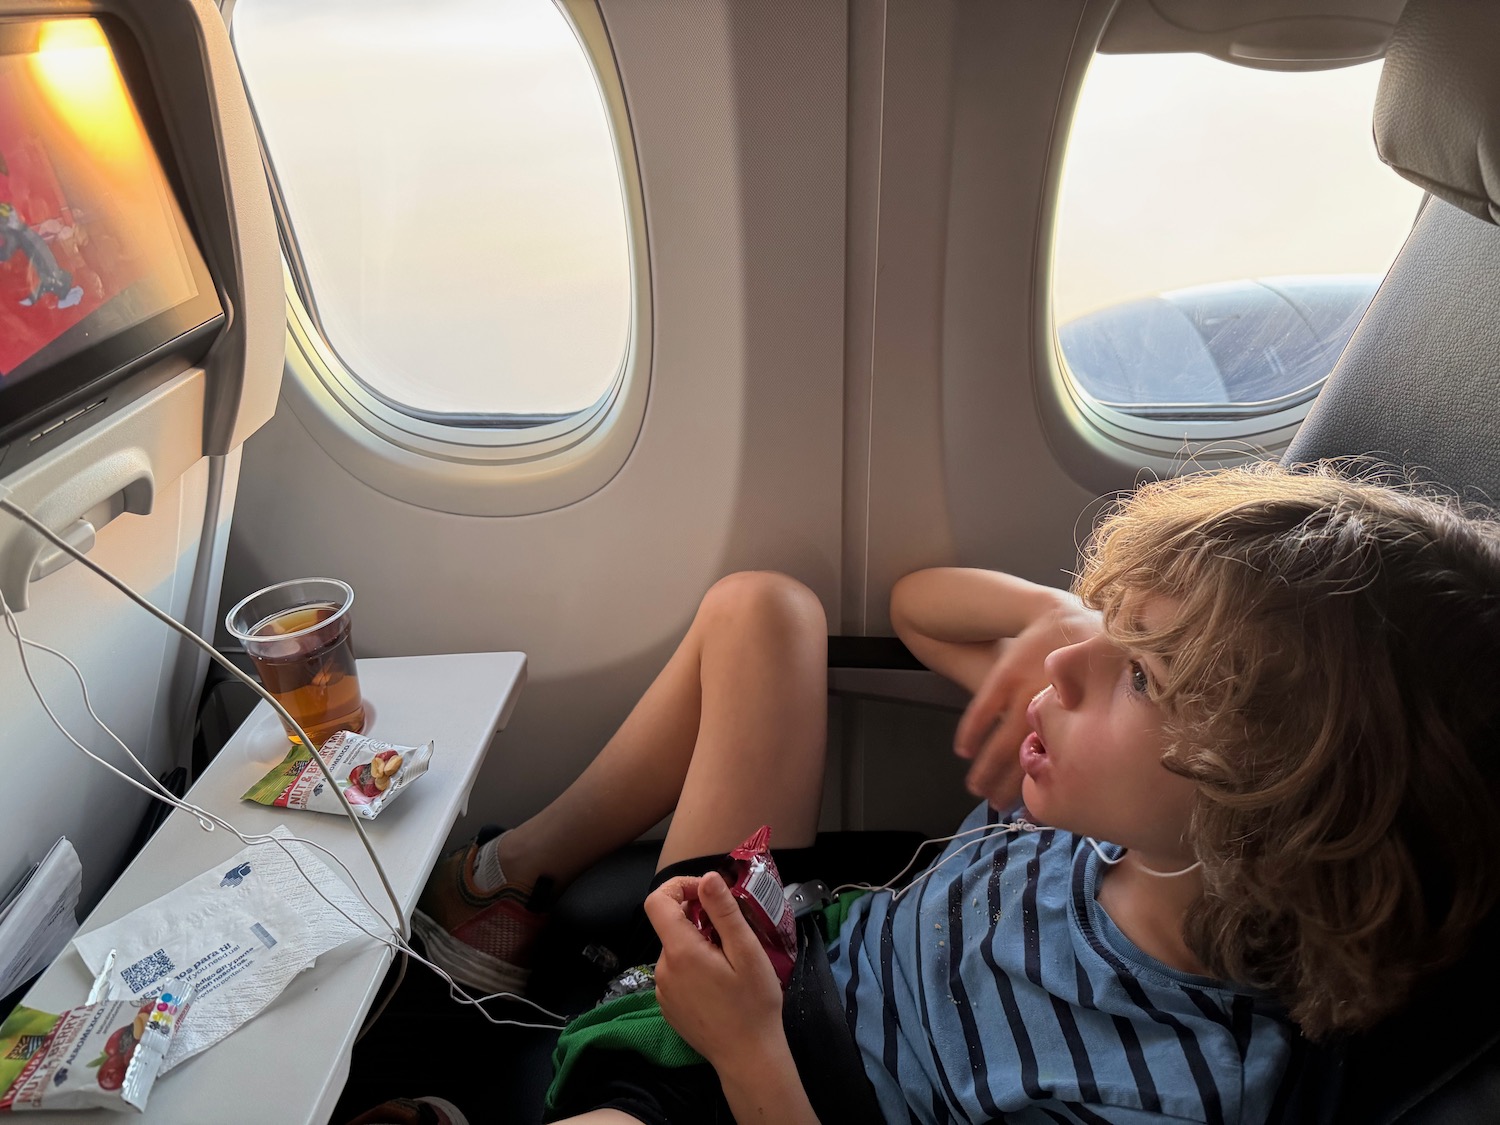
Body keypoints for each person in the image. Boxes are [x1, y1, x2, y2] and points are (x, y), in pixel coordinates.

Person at [372, 461, 1500, 1124]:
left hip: (778, 1081)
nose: (1063, 672)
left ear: (1275, 808)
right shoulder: (1113, 821)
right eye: (1109, 634)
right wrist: (1068, 622)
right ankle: (499, 890)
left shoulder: (1162, 1088)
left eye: (1142, 674)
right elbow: (922, 607)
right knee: (762, 610)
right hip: (800, 935)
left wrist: (747, 1047)